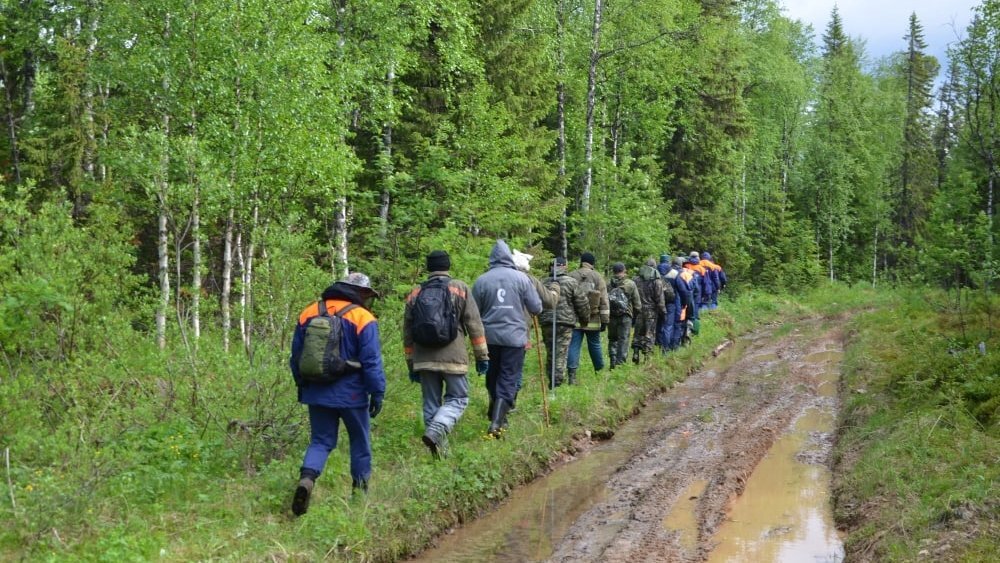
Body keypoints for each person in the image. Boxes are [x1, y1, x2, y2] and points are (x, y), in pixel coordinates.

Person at [289, 272, 386, 516]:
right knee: (359, 441)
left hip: (316, 390)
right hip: (352, 394)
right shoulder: (362, 317)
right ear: (361, 293)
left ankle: (307, 479)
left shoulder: (309, 311)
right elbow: (371, 361)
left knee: (320, 441)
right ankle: (359, 495)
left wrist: (302, 384)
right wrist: (377, 392)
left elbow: (296, 356)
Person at [403, 250, 489, 459]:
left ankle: (440, 455)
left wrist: (411, 363)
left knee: (431, 404)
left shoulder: (415, 293)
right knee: (458, 398)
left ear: (428, 268)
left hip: (423, 359)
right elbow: (474, 324)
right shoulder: (459, 288)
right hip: (454, 358)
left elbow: (407, 332)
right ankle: (438, 429)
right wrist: (482, 356)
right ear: (447, 266)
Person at [472, 240, 543, 438]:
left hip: (489, 338)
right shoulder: (522, 279)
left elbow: (473, 312)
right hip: (514, 338)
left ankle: (497, 416)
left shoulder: (482, 281)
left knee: (492, 376)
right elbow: (536, 307)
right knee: (508, 377)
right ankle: (497, 421)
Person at [539, 257, 589, 386]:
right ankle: (557, 382)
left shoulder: (543, 282)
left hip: (547, 322)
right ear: (564, 267)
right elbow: (582, 303)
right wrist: (585, 320)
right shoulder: (571, 282)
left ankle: (552, 379)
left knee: (550, 352)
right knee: (561, 352)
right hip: (565, 322)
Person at [566, 252, 610, 379]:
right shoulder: (597, 277)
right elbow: (604, 300)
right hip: (593, 319)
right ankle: (599, 372)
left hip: (575, 319)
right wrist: (605, 320)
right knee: (594, 345)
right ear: (592, 263)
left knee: (574, 345)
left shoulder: (571, 276)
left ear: (581, 262)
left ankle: (572, 375)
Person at [607, 261, 642, 369]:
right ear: (624, 270)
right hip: (625, 316)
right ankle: (620, 364)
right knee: (623, 339)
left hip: (611, 316)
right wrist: (635, 316)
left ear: (613, 271)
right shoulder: (630, 284)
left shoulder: (608, 284)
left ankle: (613, 361)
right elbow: (637, 304)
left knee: (612, 339)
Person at [631, 259, 665, 363]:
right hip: (651, 311)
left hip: (638, 310)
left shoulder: (636, 279)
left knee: (637, 333)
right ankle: (647, 357)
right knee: (649, 334)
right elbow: (660, 299)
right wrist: (663, 312)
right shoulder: (656, 281)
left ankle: (636, 352)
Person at [671, 255, 695, 349]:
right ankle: (684, 341)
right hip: (685, 302)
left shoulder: (669, 273)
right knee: (686, 321)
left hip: (672, 303)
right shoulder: (688, 274)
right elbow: (693, 289)